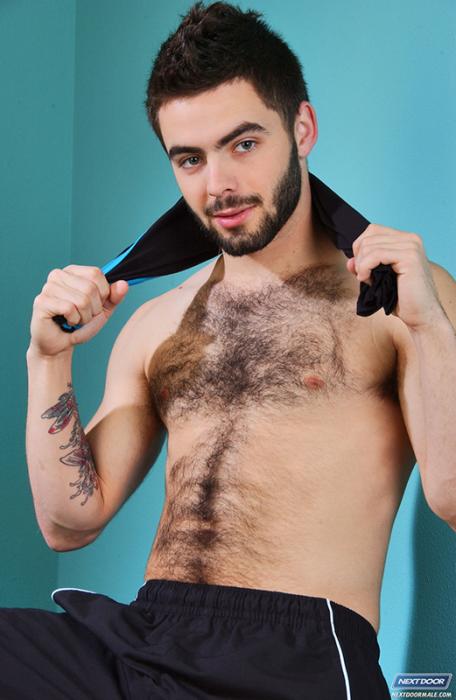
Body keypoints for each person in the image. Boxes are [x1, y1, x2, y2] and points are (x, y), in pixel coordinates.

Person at [3, 2, 455, 698]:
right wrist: (46, 359)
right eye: (190, 158)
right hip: (145, 639)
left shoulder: (397, 300)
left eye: (243, 144)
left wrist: (429, 326)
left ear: (301, 129)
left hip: (294, 654)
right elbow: (69, 524)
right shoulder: (157, 323)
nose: (217, 185)